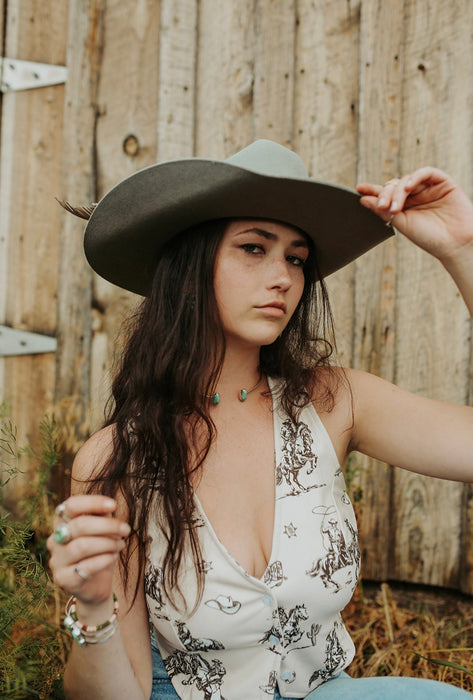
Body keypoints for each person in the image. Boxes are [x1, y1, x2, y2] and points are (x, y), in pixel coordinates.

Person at [47, 140, 473, 700]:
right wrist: (94, 604)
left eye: (296, 258)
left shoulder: (333, 402)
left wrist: (463, 250)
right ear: (191, 266)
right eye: (254, 248)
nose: (283, 278)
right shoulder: (117, 460)